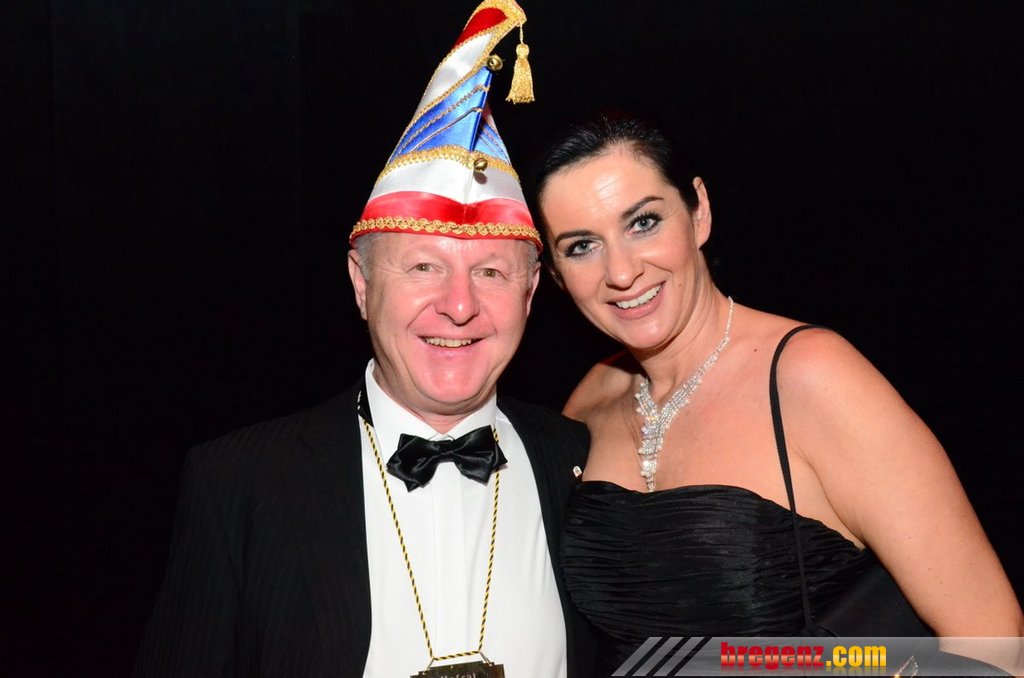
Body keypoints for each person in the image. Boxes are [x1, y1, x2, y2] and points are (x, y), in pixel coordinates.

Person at [133, 3, 595, 676]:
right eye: (423, 267)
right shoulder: (240, 484)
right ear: (361, 284)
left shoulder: (582, 462)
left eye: (491, 272)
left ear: (528, 295)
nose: (459, 305)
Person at [531, 110, 1024, 675]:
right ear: (556, 275)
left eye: (643, 222)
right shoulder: (590, 402)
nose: (621, 271)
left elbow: (993, 637)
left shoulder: (811, 376)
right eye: (582, 246)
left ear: (699, 212)